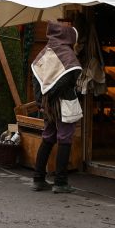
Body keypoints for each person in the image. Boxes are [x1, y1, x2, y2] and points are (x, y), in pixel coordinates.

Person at [30, 21, 81, 193]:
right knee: (64, 138)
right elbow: (69, 78)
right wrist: (52, 93)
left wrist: (41, 100)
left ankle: (38, 179)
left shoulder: (45, 52)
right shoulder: (68, 55)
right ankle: (60, 182)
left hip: (48, 105)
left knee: (48, 136)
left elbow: (36, 75)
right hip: (64, 103)